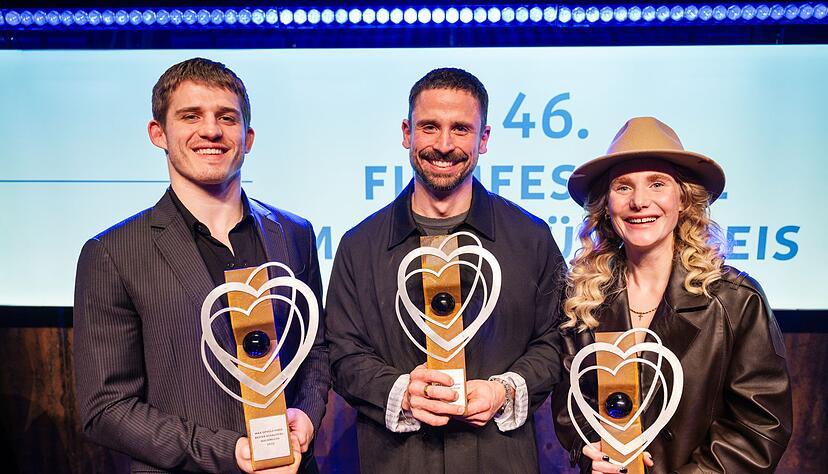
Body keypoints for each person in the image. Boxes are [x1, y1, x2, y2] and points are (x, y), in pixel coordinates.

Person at [73, 58, 330, 474]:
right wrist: (228, 451)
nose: (211, 130)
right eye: (190, 116)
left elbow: (315, 350)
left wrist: (305, 414)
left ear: (247, 137)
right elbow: (106, 408)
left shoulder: (294, 233)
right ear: (158, 133)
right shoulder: (112, 253)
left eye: (226, 117)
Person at [325, 67, 566, 473]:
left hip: (500, 461)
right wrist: (401, 392)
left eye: (460, 129)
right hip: (395, 462)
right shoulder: (358, 245)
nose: (443, 144)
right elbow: (342, 354)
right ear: (406, 133)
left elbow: (554, 342)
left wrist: (503, 391)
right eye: (429, 127)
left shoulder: (531, 238)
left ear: (483, 139)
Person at [552, 117, 792, 473]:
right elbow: (571, 403)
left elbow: (760, 427)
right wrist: (590, 447)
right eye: (623, 187)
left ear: (683, 200)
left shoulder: (735, 300)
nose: (639, 201)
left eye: (657, 184)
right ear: (606, 206)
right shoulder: (584, 297)